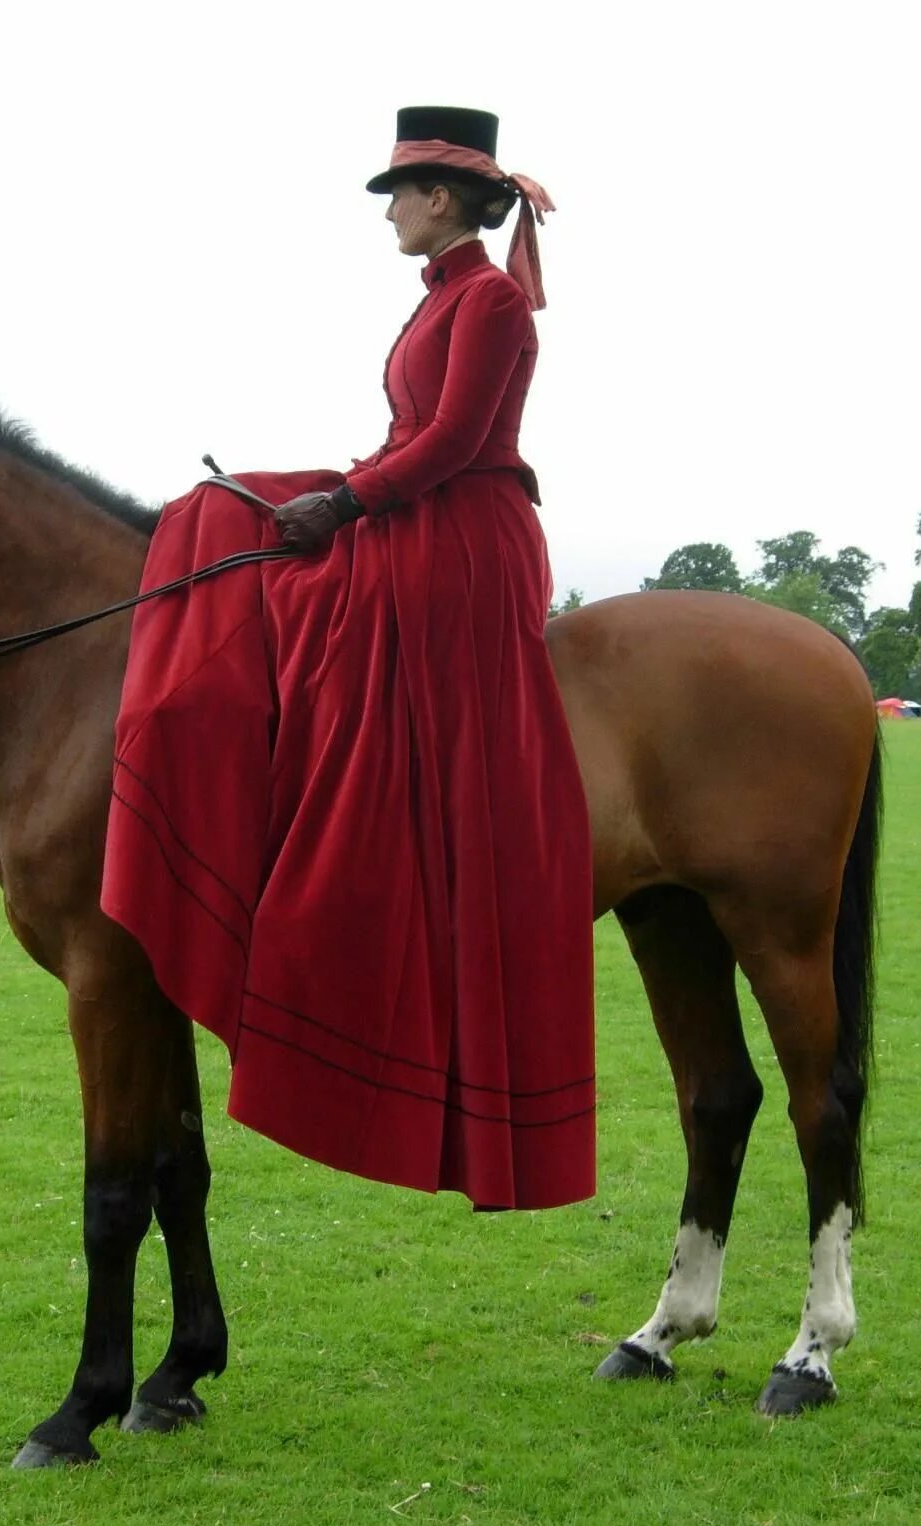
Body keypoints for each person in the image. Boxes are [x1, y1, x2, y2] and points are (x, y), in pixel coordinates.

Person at [102, 107, 594, 1211]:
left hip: (464, 537)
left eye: (400, 191)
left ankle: (319, 814)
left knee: (303, 606)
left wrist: (345, 499)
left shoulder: (492, 300)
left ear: (444, 197)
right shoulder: (442, 300)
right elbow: (419, 436)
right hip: (416, 506)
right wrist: (336, 489)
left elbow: (460, 441)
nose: (389, 209)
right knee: (215, 515)